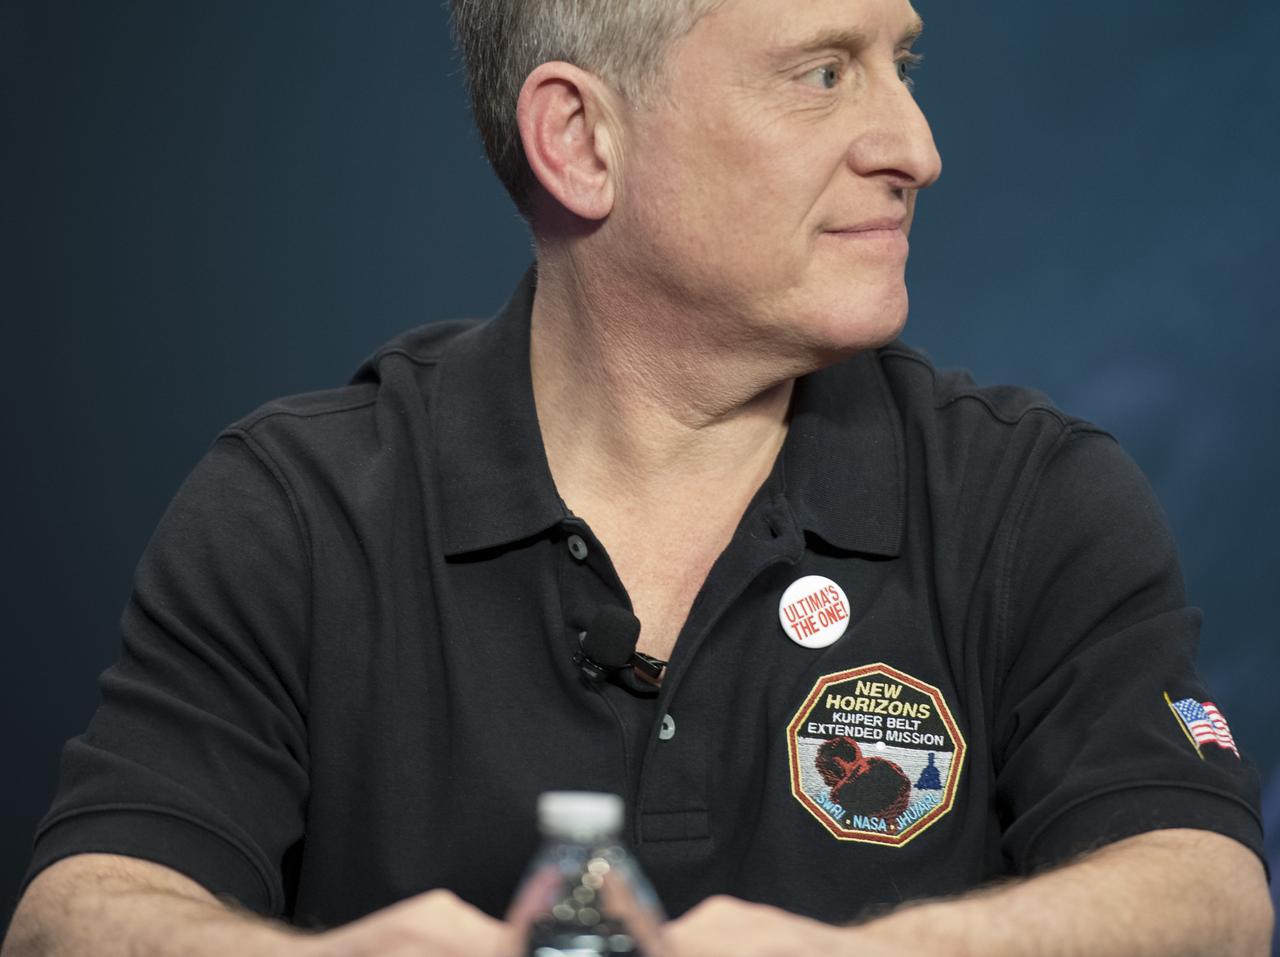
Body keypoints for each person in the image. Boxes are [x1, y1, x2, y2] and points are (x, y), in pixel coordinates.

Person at [3, 0, 1273, 954]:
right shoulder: (298, 505)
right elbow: (76, 911)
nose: (914, 146)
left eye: (902, 65)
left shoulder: (1032, 498)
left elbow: (1208, 894)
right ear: (580, 140)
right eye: (823, 74)